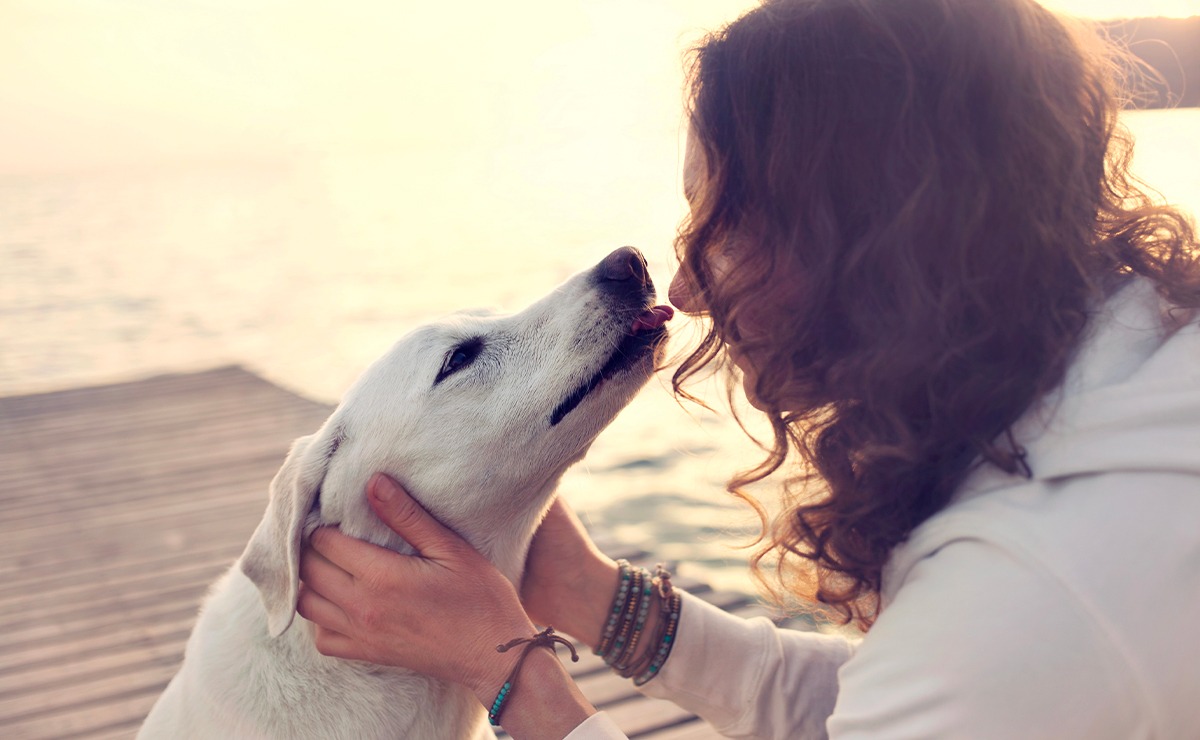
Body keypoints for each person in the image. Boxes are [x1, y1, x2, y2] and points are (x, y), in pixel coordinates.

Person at [296, 0, 1200, 737]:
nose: (683, 286)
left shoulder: (1033, 585)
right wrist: (588, 595)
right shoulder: (1137, 374)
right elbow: (891, 697)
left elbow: (968, 669)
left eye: (715, 221)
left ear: (860, 235)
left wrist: (507, 673)